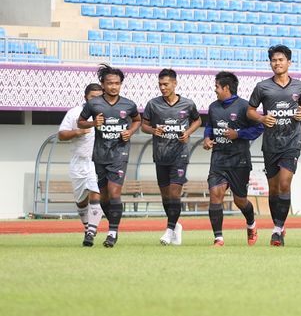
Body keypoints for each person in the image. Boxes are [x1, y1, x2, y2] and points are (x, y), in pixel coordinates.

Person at [247, 45, 301, 246]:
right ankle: (280, 226)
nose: (277, 63)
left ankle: (276, 231)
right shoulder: (262, 87)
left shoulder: (300, 86)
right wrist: (262, 118)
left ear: (289, 62)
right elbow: (250, 111)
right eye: (274, 60)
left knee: (284, 183)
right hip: (271, 144)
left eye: (281, 60)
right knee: (273, 190)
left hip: (292, 142)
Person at [78, 64, 141, 248]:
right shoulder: (94, 104)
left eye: (117, 83)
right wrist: (92, 123)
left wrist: (130, 131)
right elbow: (80, 122)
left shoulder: (128, 104)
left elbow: (137, 120)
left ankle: (113, 232)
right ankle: (111, 224)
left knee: (115, 193)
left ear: (121, 84)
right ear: (103, 84)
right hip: (100, 155)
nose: (113, 86)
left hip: (119, 154)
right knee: (104, 197)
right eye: (110, 83)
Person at [203, 71, 264, 247]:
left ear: (226, 88)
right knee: (215, 194)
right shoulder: (213, 107)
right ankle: (218, 238)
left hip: (239, 161)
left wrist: (238, 134)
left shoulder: (245, 107)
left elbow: (259, 127)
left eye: (217, 86)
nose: (215, 90)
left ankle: (251, 224)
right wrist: (207, 139)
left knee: (240, 200)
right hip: (218, 159)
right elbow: (209, 126)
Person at [141, 69, 202, 246]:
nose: (162, 87)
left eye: (166, 84)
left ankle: (168, 231)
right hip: (160, 154)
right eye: (160, 84)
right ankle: (176, 227)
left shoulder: (188, 104)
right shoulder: (153, 104)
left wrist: (188, 132)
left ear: (175, 84)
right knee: (166, 197)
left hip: (180, 154)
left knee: (175, 193)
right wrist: (153, 130)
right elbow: (144, 125)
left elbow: (197, 121)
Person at [58, 83, 105, 247]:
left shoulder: (108, 112)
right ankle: (87, 227)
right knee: (81, 202)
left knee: (95, 192)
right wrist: (77, 131)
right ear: (86, 97)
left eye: (99, 96)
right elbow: (61, 135)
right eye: (93, 97)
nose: (96, 100)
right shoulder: (75, 113)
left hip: (97, 162)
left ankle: (91, 233)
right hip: (78, 162)